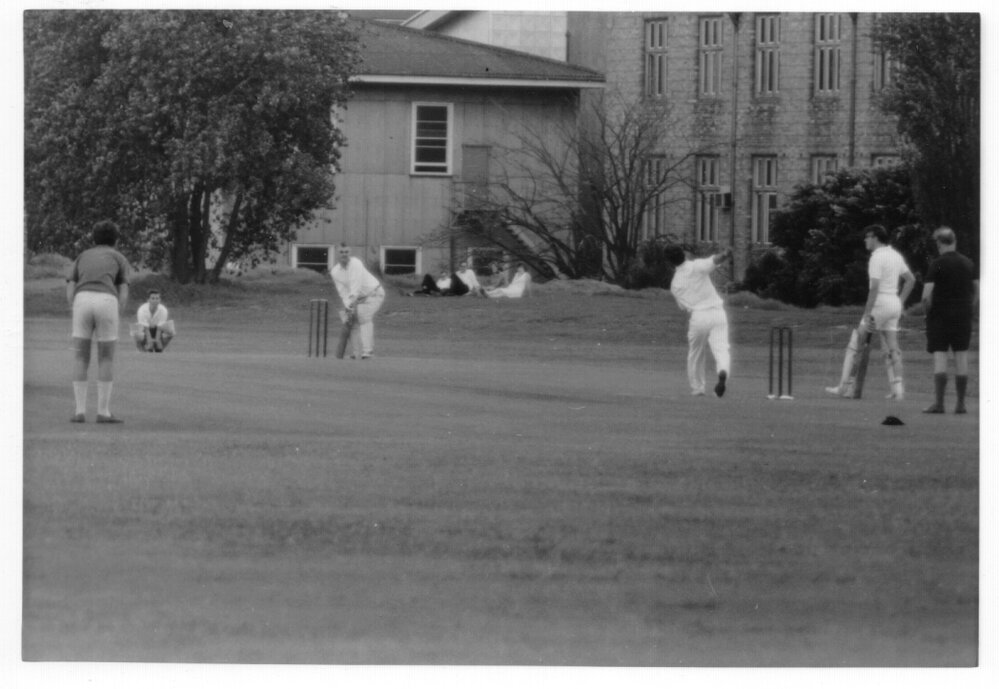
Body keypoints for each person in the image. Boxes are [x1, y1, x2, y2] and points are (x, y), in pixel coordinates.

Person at [825, 224, 915, 400]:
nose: (865, 240)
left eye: (867, 237)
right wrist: (900, 301)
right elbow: (910, 280)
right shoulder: (895, 255)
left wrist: (867, 312)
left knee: (855, 344)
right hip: (893, 304)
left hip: (879, 304)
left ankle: (846, 387)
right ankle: (898, 390)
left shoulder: (876, 257)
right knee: (892, 347)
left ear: (875, 237)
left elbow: (874, 287)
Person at [66, 219, 130, 423]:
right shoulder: (119, 257)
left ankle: (79, 411)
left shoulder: (82, 255)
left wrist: (74, 305)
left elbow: (71, 285)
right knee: (106, 358)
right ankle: (103, 412)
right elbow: (123, 289)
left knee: (80, 358)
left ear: (94, 239)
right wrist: (117, 311)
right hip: (106, 300)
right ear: (115, 240)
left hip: (81, 299)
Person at [918, 227, 978, 414]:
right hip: (963, 315)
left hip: (940, 317)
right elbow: (977, 291)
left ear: (939, 243)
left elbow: (926, 295)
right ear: (954, 241)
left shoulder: (937, 264)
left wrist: (926, 313)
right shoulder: (968, 263)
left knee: (940, 358)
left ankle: (939, 403)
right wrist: (971, 309)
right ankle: (960, 404)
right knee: (961, 357)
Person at [665, 245, 732, 397]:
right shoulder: (696, 266)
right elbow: (714, 260)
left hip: (698, 316)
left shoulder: (675, 284)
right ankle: (723, 372)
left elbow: (683, 306)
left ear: (670, 262)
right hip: (717, 312)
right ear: (684, 255)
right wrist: (726, 254)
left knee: (696, 352)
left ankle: (698, 388)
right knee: (721, 348)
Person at [329, 244, 386, 359]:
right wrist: (347, 307)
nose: (344, 254)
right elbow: (342, 292)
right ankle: (357, 352)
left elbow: (356, 286)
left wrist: (350, 305)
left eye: (346, 252)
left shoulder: (356, 263)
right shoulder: (335, 271)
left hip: (374, 294)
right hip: (357, 299)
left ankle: (367, 351)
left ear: (350, 253)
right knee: (351, 321)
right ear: (336, 254)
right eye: (341, 252)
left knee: (363, 317)